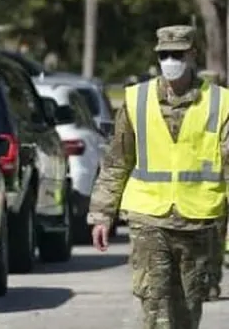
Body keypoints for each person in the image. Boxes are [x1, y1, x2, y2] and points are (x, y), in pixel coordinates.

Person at [88, 25, 229, 329]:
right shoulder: (137, 99)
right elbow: (116, 162)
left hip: (198, 221)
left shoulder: (220, 103)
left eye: (177, 54)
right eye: (164, 55)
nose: (170, 61)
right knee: (156, 309)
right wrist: (102, 214)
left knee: (187, 313)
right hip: (148, 218)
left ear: (193, 55)